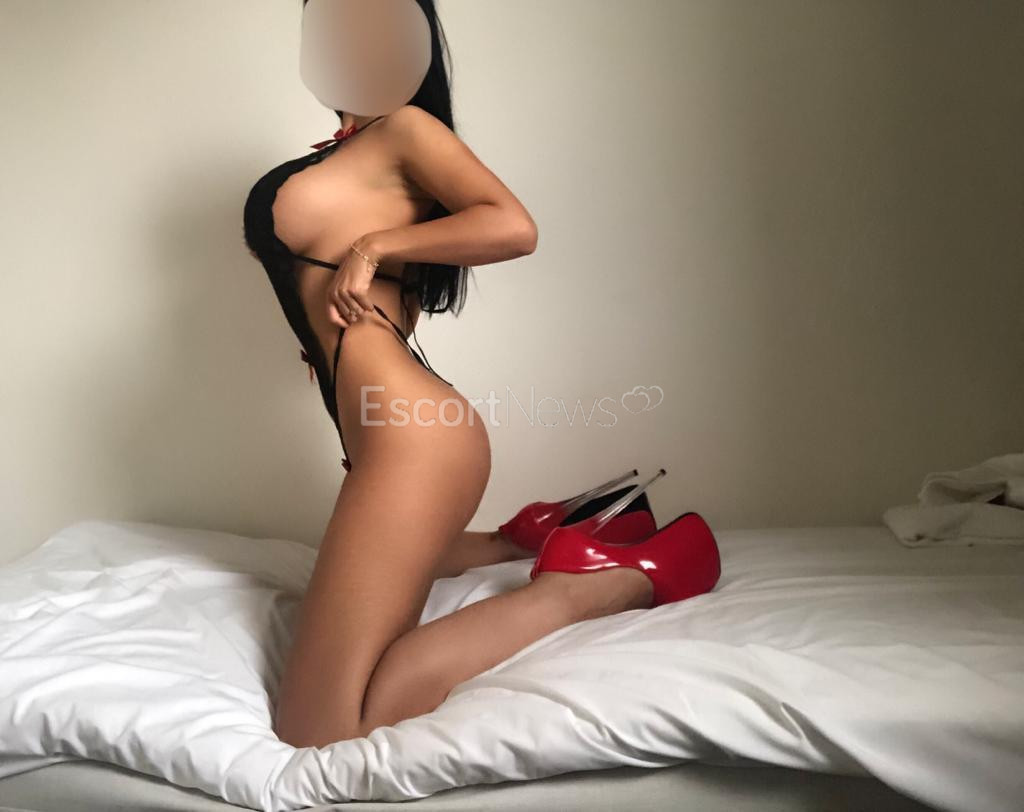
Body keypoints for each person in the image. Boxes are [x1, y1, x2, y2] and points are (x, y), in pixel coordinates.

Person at [243, 0, 716, 749]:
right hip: (392, 434)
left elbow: (513, 225)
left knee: (318, 728)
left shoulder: (405, 130)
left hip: (412, 439)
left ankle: (614, 576)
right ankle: (529, 535)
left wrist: (372, 248)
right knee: (375, 585)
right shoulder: (353, 152)